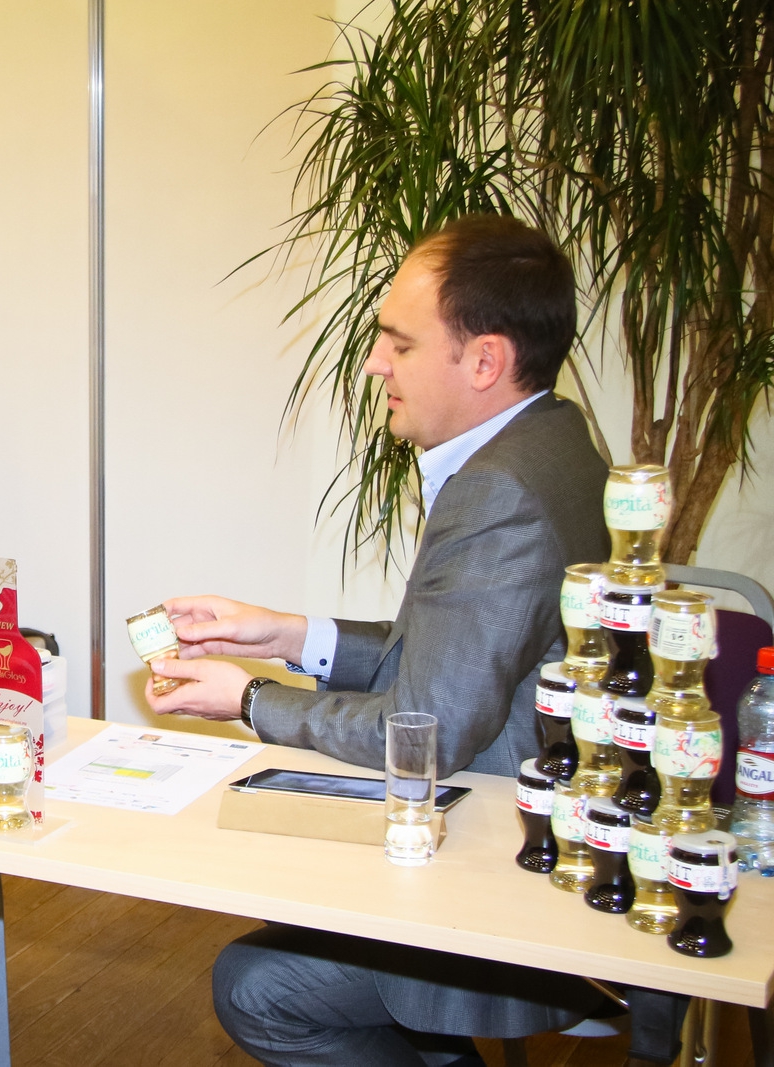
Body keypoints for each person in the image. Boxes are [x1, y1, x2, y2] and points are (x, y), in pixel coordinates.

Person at [145, 215, 633, 1065]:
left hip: (506, 865)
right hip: (548, 817)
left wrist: (249, 699)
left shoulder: (497, 490)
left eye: (400, 343)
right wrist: (287, 633)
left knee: (256, 986)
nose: (375, 362)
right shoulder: (555, 436)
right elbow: (456, 649)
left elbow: (427, 730)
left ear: (484, 361)